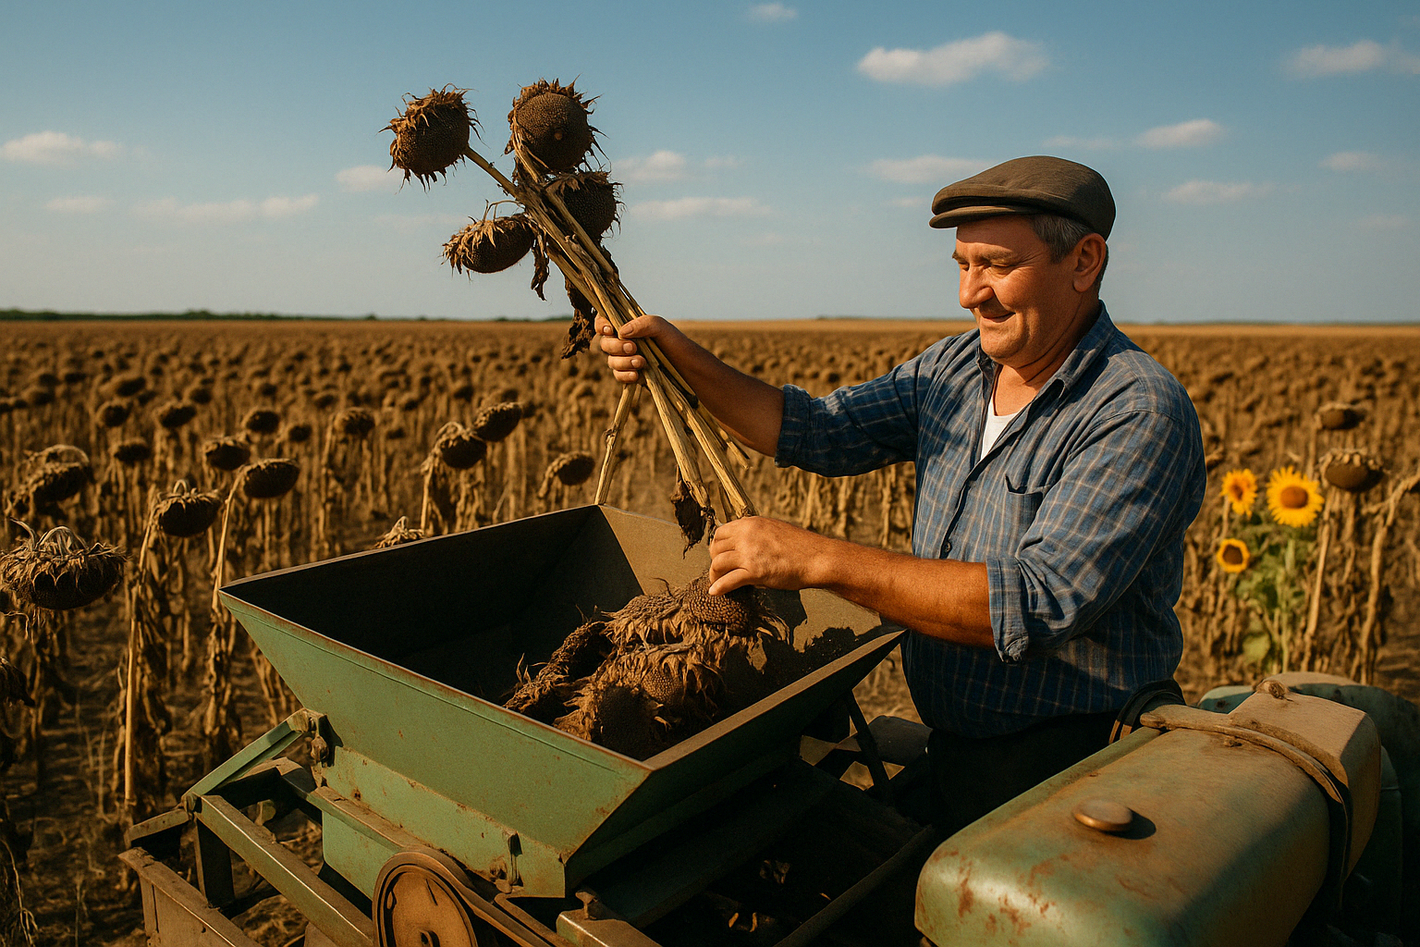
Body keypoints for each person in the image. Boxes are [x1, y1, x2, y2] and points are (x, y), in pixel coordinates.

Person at [597, 155, 1206, 832]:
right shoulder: (951, 372)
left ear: (1084, 261)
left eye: (998, 265)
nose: (971, 293)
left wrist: (815, 558)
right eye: (962, 264)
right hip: (960, 750)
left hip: (1073, 768)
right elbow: (814, 430)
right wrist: (677, 356)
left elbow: (1031, 603)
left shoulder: (1135, 410)